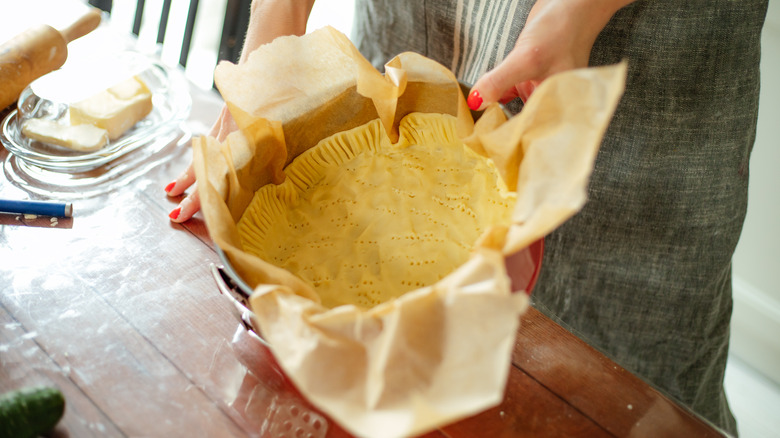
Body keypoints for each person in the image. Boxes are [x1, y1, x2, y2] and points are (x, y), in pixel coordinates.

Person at [164, 0, 769, 434]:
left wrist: (580, 10)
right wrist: (271, 55)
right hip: (414, 30)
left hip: (632, 104)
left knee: (626, 403)